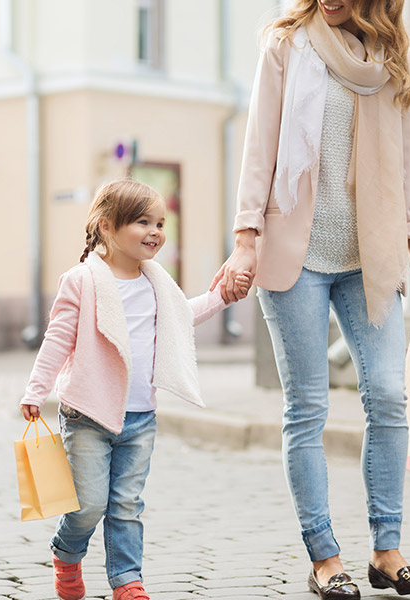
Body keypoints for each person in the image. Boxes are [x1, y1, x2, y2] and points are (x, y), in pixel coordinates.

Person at [212, 1, 410, 598]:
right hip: (296, 254)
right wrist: (246, 242)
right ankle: (324, 557)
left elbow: (405, 166)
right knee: (307, 408)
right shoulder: (286, 44)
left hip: (369, 255)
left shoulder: (388, 58)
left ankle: (387, 549)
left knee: (390, 396)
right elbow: (259, 147)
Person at [20, 179, 250, 600]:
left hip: (140, 416)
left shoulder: (156, 282)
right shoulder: (82, 281)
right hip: (87, 414)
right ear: (107, 227)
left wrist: (222, 296)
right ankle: (66, 553)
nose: (156, 231)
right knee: (88, 505)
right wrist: (36, 390)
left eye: (161, 222)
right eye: (143, 222)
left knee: (126, 504)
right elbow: (57, 338)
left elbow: (185, 315)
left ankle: (127, 580)